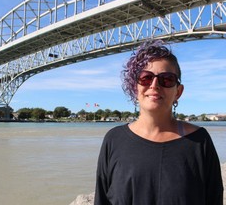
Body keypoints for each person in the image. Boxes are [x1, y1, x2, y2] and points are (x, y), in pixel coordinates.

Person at [94, 40, 224, 205]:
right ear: (135, 87)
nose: (154, 85)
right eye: (146, 78)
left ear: (178, 91)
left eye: (167, 79)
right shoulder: (113, 140)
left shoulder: (199, 142)